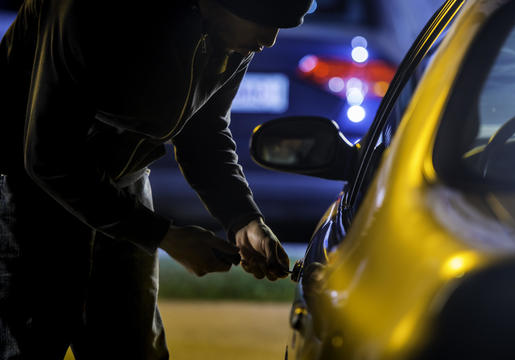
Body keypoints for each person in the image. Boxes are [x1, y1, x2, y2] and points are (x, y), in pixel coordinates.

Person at [0, 0, 313, 358]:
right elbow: (49, 154)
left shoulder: (233, 36)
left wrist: (243, 219)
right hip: (26, 190)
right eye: (263, 20)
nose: (270, 40)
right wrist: (163, 235)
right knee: (28, 342)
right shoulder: (92, 11)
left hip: (124, 186)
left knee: (134, 347)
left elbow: (204, 131)